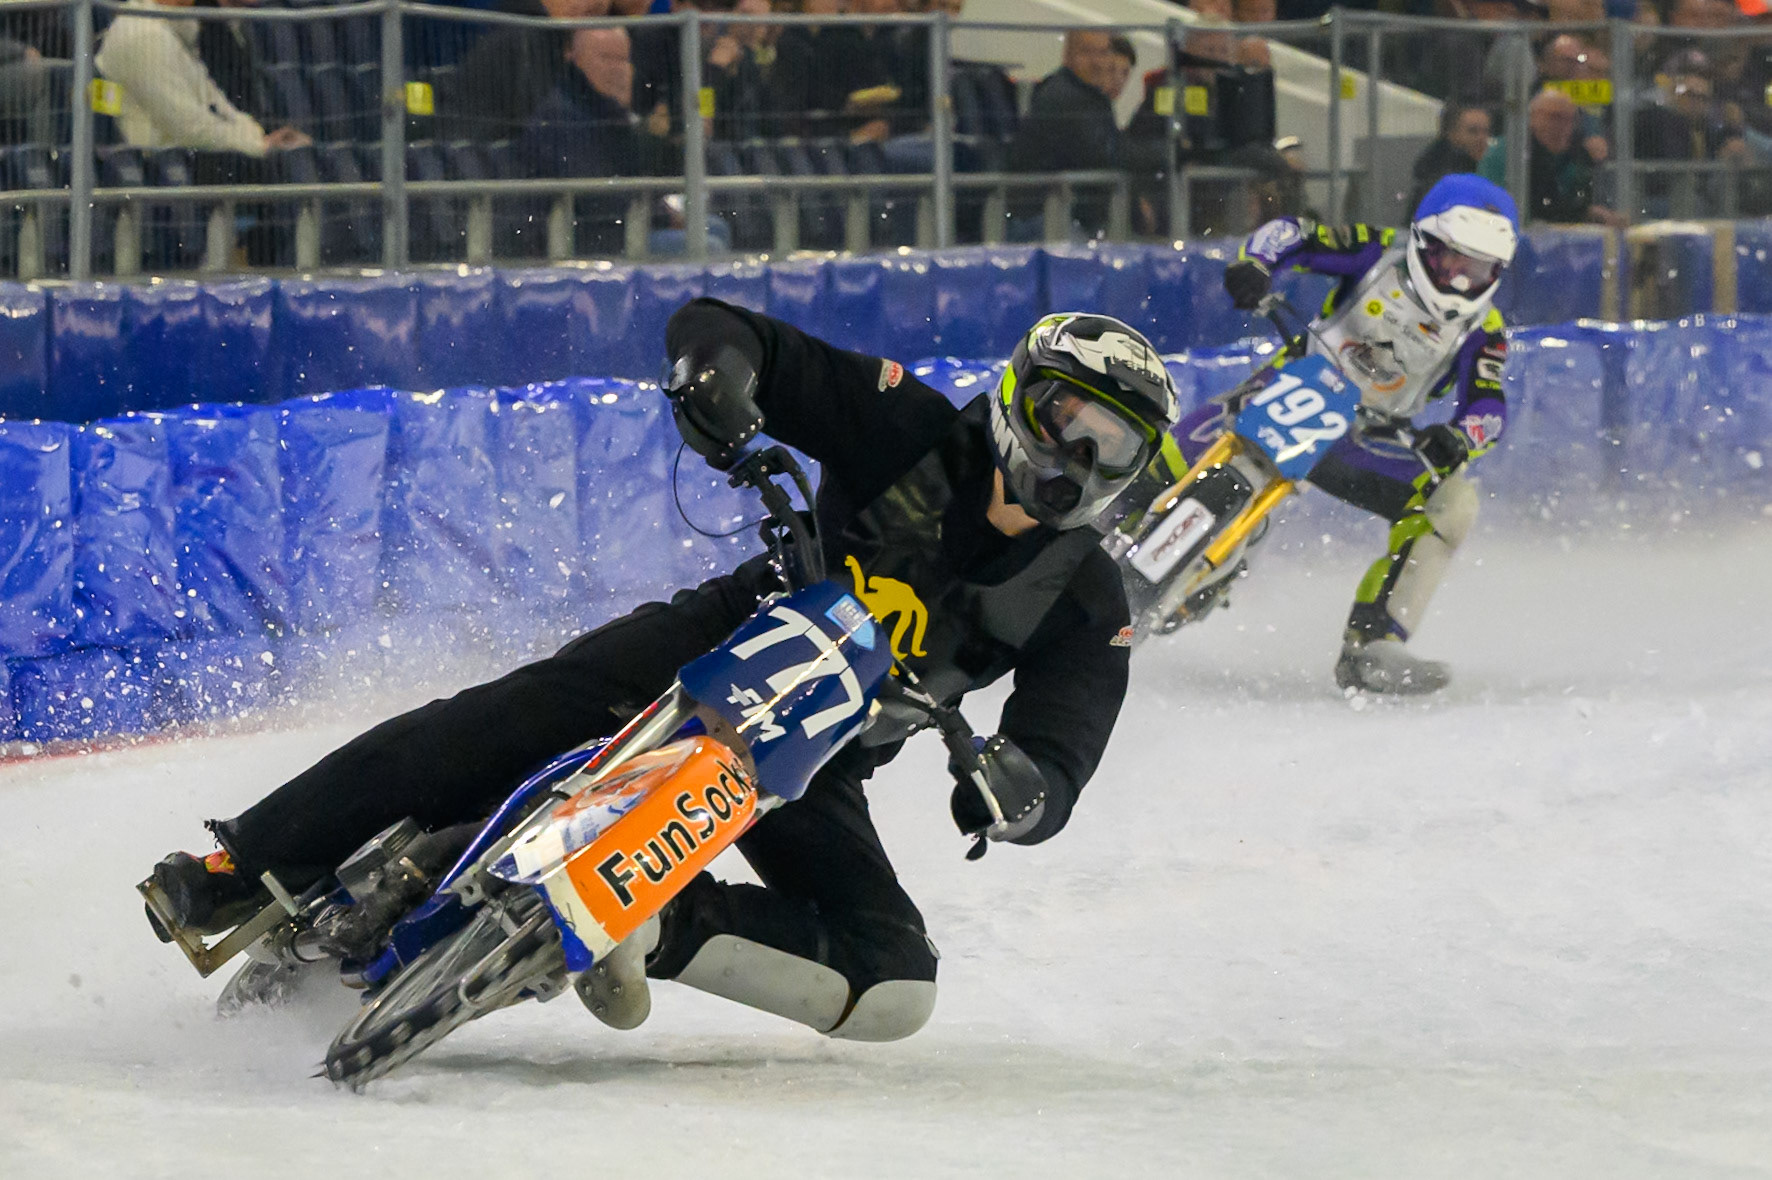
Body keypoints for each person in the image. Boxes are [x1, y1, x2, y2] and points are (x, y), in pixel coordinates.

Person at [144, 302, 1181, 1043]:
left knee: (897, 982)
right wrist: (714, 380)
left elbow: (1059, 752)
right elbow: (738, 334)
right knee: (503, 718)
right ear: (1014, 398)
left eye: (1111, 448)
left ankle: (657, 922)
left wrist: (1017, 794)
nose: (1074, 460)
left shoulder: (1084, 601)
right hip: (722, 642)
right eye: (1063, 420)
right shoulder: (911, 426)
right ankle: (242, 868)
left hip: (815, 762)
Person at [1140, 174, 1519, 695]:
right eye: (1450, 258)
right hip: (1298, 382)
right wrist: (1255, 264)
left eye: (1475, 269)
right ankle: (1102, 523)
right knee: (1177, 451)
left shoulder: (1485, 330)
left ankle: (1374, 643)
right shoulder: (1377, 253)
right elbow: (1294, 233)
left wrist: (1460, 439)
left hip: (1369, 437)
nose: (1458, 279)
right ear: (1423, 242)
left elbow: (1489, 406)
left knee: (1453, 504)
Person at [93, 0, 310, 157]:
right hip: (155, 163)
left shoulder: (174, 30)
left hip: (183, 153)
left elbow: (215, 102)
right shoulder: (143, 35)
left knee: (292, 154)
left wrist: (259, 137)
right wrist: (258, 145)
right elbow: (187, 126)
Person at [1005, 29, 1125, 239]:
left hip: (1065, 214)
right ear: (1067, 56)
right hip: (1044, 217)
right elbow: (1100, 155)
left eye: (1104, 53)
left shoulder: (1091, 97)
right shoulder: (1061, 97)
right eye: (1087, 52)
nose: (1097, 62)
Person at [1480, 88, 1624, 226]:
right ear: (1532, 118)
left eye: (1570, 119)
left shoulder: (1574, 157)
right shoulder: (1508, 153)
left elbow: (1571, 203)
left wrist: (1590, 213)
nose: (1563, 126)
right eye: (1554, 117)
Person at [1409, 104, 1492, 210]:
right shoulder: (1443, 179)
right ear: (1452, 134)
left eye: (1486, 131)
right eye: (1473, 131)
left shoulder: (1476, 170)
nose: (1482, 138)